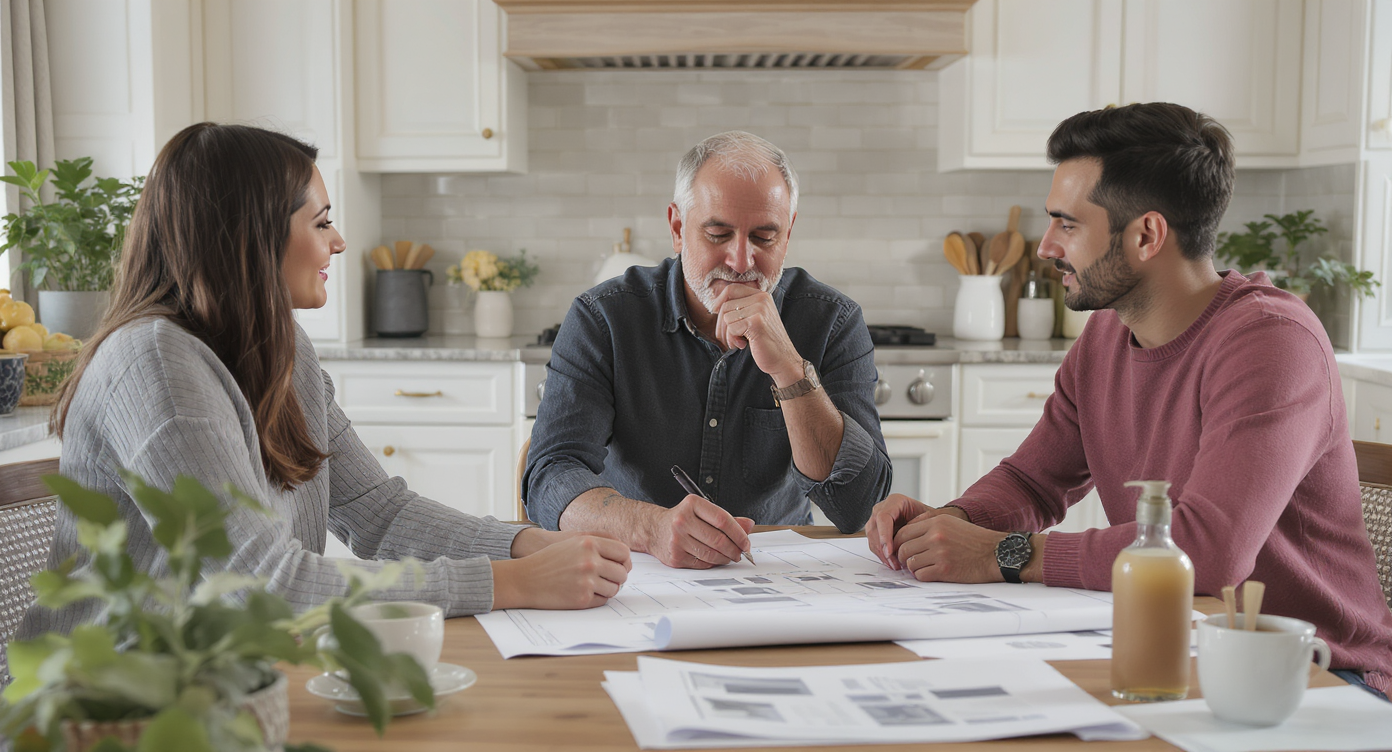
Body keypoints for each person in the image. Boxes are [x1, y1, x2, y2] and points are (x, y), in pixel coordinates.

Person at [19, 123, 630, 640]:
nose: (338, 243)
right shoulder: (155, 364)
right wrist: (510, 583)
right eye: (321, 222)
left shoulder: (281, 348)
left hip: (228, 679)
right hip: (106, 706)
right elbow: (263, 589)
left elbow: (377, 512)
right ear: (249, 236)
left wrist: (523, 544)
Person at [865, 103, 1392, 698]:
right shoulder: (1107, 336)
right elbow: (1034, 481)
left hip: (1321, 674)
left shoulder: (1272, 342)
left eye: (1067, 224)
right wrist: (951, 523)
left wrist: (1003, 554)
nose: (1045, 247)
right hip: (1184, 651)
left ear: (1146, 235)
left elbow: (1204, 552)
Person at [524, 131, 891, 569]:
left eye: (764, 237)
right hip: (637, 566)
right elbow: (549, 478)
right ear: (678, 229)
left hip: (779, 569)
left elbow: (858, 505)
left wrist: (792, 371)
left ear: (788, 235)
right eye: (718, 233)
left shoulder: (833, 322)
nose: (741, 260)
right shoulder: (602, 319)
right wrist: (650, 527)